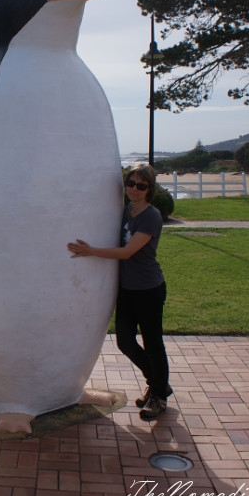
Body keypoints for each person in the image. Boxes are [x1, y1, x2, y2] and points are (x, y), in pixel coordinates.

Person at [67, 164, 171, 420]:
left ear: (150, 189)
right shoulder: (127, 211)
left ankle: (158, 396)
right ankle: (158, 383)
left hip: (148, 288)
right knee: (125, 341)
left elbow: (127, 252)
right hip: (127, 288)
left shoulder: (150, 216)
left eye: (141, 185)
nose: (134, 189)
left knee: (153, 342)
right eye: (131, 183)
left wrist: (91, 251)